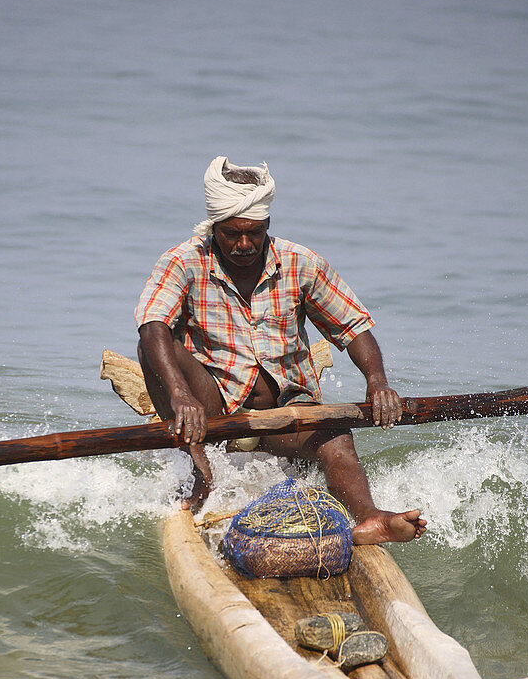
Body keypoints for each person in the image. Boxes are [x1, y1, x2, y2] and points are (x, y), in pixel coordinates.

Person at [135, 156, 426, 545]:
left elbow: (354, 327)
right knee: (151, 342)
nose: (243, 244)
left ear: (267, 225)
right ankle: (199, 469)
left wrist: (377, 381)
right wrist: (180, 395)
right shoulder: (183, 261)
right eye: (232, 234)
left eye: (254, 233)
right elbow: (152, 324)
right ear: (214, 227)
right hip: (214, 413)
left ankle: (369, 519)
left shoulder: (300, 263)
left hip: (285, 415)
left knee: (337, 437)